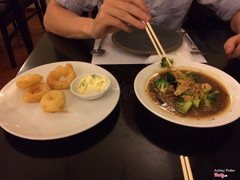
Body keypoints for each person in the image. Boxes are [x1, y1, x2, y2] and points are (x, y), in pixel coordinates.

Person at [43, 0, 240, 59]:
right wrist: (92, 27)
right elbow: (52, 15)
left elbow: (234, 9)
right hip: (109, 57)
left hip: (173, 55)